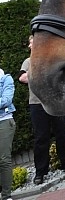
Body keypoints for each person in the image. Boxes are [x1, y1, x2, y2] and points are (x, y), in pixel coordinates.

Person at [19, 35, 65, 185]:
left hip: (56, 101)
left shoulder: (52, 59)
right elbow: (22, 78)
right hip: (37, 104)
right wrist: (40, 72)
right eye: (31, 43)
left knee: (62, 133)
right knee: (41, 137)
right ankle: (40, 172)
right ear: (30, 47)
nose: (34, 45)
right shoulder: (27, 62)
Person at [0, 66, 16, 200]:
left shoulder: (5, 79)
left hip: (4, 122)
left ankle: (6, 196)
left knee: (4, 159)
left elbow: (6, 100)